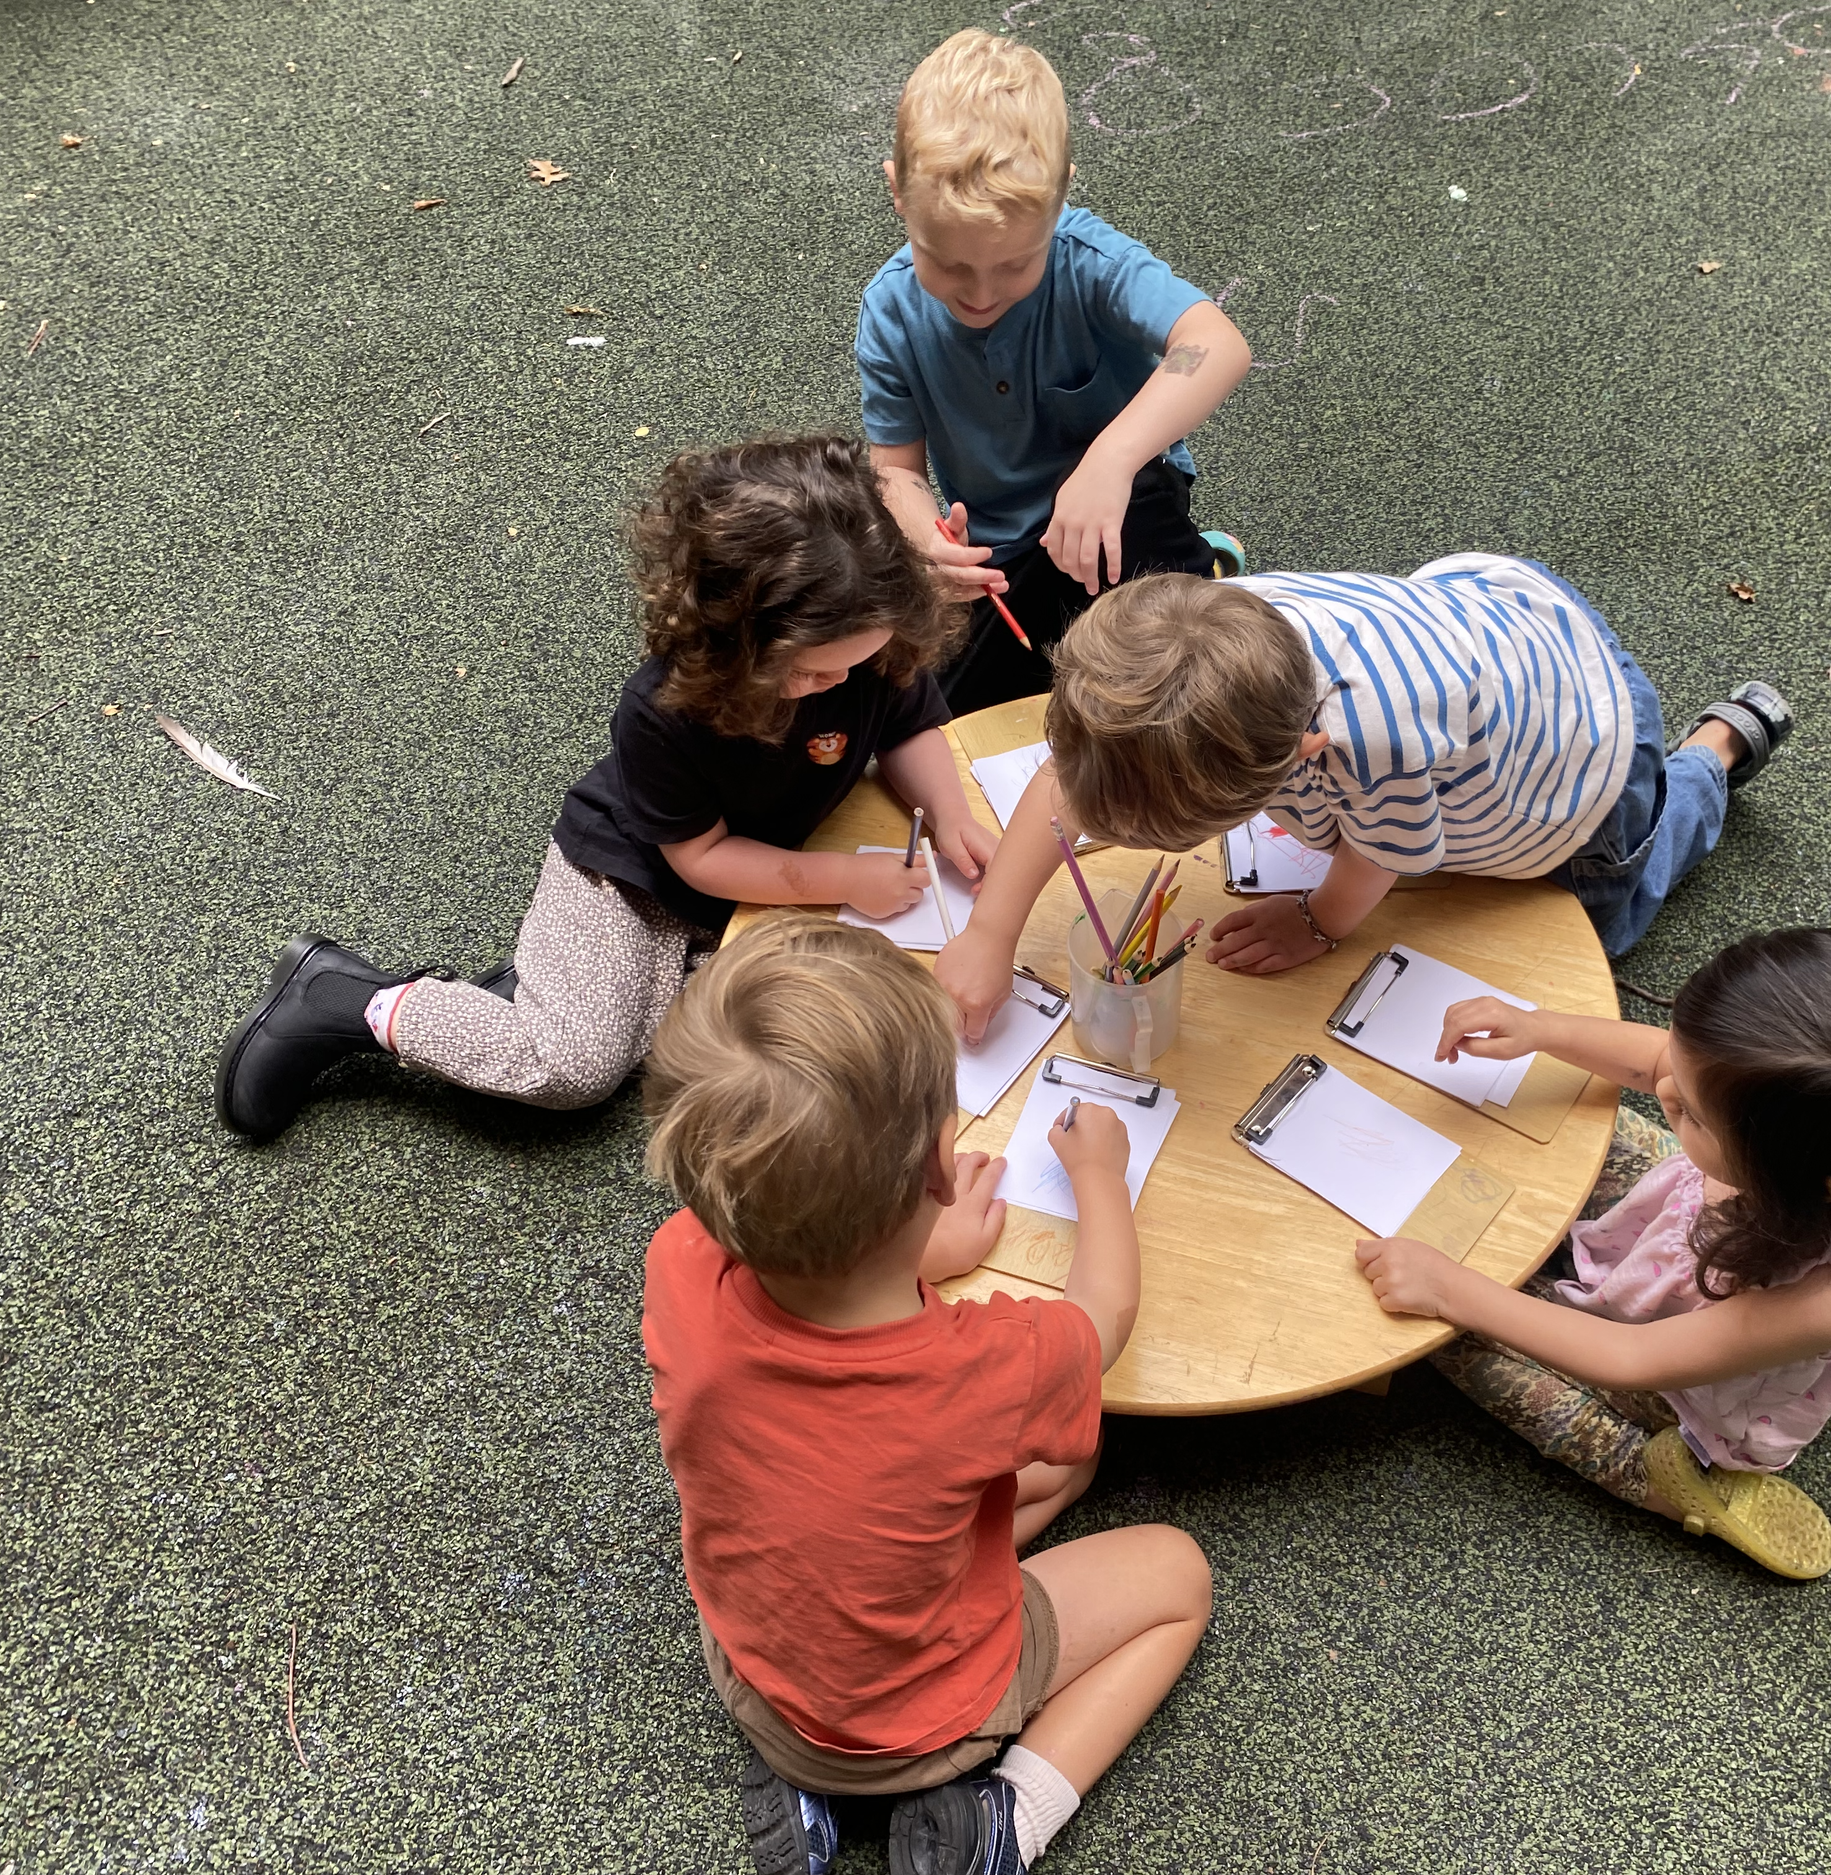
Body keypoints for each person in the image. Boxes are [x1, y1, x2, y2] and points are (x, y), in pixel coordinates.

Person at [215, 434, 997, 1143]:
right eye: (810, 670)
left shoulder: (861, 633)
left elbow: (907, 724)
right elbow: (701, 857)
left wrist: (952, 815)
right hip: (633, 878)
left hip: (748, 886)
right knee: (576, 1072)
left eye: (852, 667)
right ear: (729, 633)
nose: (834, 683)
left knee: (742, 1056)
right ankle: (346, 999)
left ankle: (541, 989)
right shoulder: (665, 708)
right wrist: (844, 878)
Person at [640, 915, 1211, 1875]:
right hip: (934, 1711)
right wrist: (1100, 1177)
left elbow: (813, 1296)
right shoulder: (990, 1370)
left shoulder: (679, 1262)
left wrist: (917, 1246)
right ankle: (1002, 1821)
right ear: (944, 1167)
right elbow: (1100, 1313)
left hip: (758, 1669)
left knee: (1055, 1473)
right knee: (1175, 1572)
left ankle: (799, 1783)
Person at [1355, 927, 1831, 1579]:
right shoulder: (1797, 1140)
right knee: (1594, 1136)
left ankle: (1670, 1488)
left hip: (1681, 1389)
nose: (1665, 1088)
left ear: (1800, 1182)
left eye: (1693, 1112)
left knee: (1456, 1345)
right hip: (1691, 1241)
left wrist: (1452, 1291)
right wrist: (1539, 1028)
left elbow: (1629, 1358)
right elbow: (1659, 1063)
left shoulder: (1829, 1299)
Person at [933, 556, 1793, 1041]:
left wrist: (1320, 920)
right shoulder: (1196, 642)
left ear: (1303, 757)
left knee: (1602, 914)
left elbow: (1386, 848)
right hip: (1505, 627)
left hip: (1579, 760)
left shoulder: (1375, 741)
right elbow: (1069, 778)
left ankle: (1708, 760)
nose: (1088, 822)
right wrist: (988, 931)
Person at [860, 27, 1252, 715]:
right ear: (898, 193)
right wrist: (927, 538)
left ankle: (1198, 564)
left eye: (1013, 264)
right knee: (935, 712)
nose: (980, 293)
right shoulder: (890, 310)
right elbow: (895, 470)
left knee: (1185, 684)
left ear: (1061, 197)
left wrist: (1111, 459)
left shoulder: (1089, 261)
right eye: (949, 263)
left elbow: (1213, 342)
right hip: (998, 553)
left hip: (1120, 506)